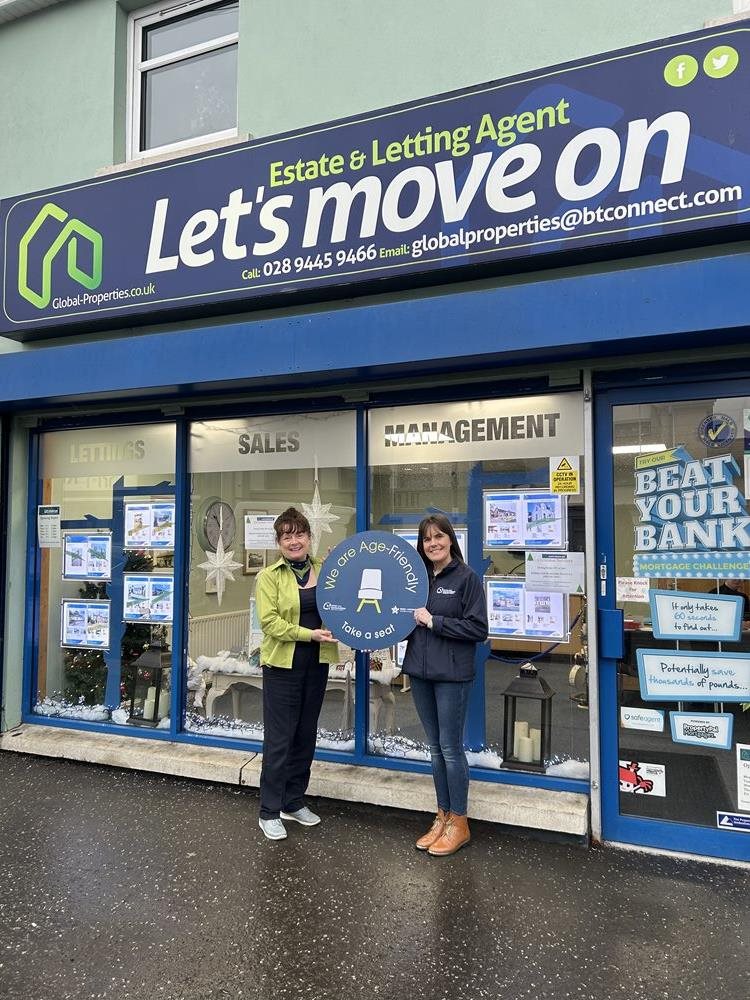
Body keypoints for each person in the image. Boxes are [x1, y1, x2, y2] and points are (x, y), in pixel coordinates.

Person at [403, 514, 488, 856]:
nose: (433, 543)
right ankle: (442, 816)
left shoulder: (467, 579)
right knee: (435, 748)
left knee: (451, 749)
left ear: (450, 540)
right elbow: (402, 619)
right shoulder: (417, 579)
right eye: (427, 539)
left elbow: (478, 629)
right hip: (420, 672)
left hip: (452, 676)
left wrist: (434, 621)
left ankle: (459, 823)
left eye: (439, 536)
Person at [255, 507, 338, 841]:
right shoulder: (269, 576)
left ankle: (293, 800)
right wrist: (309, 635)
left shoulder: (324, 569)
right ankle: (269, 811)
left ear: (309, 537)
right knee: (280, 740)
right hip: (282, 665)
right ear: (278, 542)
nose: (294, 541)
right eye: (287, 536)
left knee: (305, 735)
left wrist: (342, 566)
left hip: (317, 663)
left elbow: (343, 601)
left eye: (299, 534)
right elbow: (270, 623)